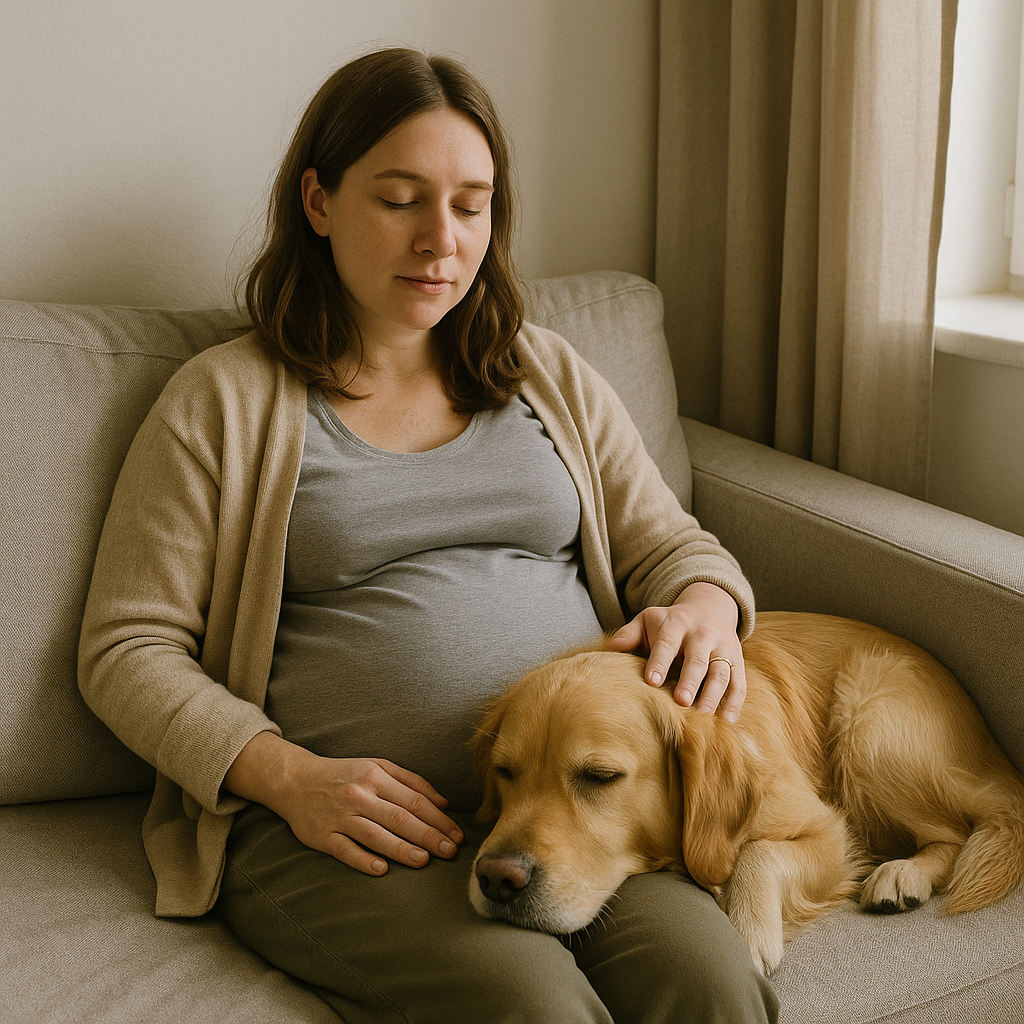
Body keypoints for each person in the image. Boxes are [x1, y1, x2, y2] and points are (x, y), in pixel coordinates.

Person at [78, 47, 779, 1024]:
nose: (440, 240)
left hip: (564, 812)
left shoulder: (547, 372)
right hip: (331, 826)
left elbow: (673, 547)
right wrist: (289, 777)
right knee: (532, 1006)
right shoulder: (222, 403)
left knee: (709, 984)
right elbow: (124, 649)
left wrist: (705, 605)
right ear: (319, 201)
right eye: (401, 199)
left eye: (470, 205)